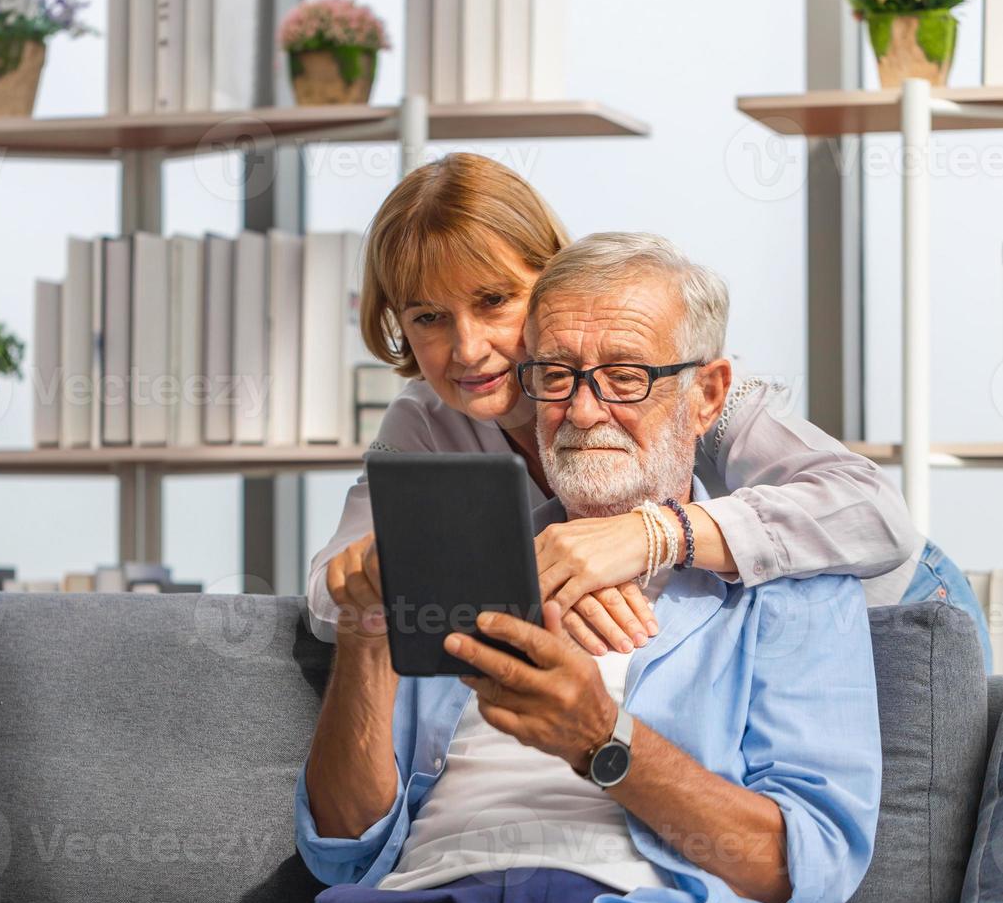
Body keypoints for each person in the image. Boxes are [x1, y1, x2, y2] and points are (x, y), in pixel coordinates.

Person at [296, 233, 882, 903]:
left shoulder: (792, 588)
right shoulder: (462, 562)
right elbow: (342, 850)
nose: (580, 410)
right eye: (554, 375)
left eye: (625, 376)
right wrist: (367, 642)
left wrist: (603, 741)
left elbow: (808, 871)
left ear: (706, 395)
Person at [307, 152, 990, 668]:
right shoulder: (425, 423)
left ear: (551, 282)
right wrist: (541, 575)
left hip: (892, 607)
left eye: (493, 301)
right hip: (710, 646)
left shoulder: (682, 385)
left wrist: (650, 536)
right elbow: (325, 597)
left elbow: (873, 516)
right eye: (428, 316)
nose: (468, 348)